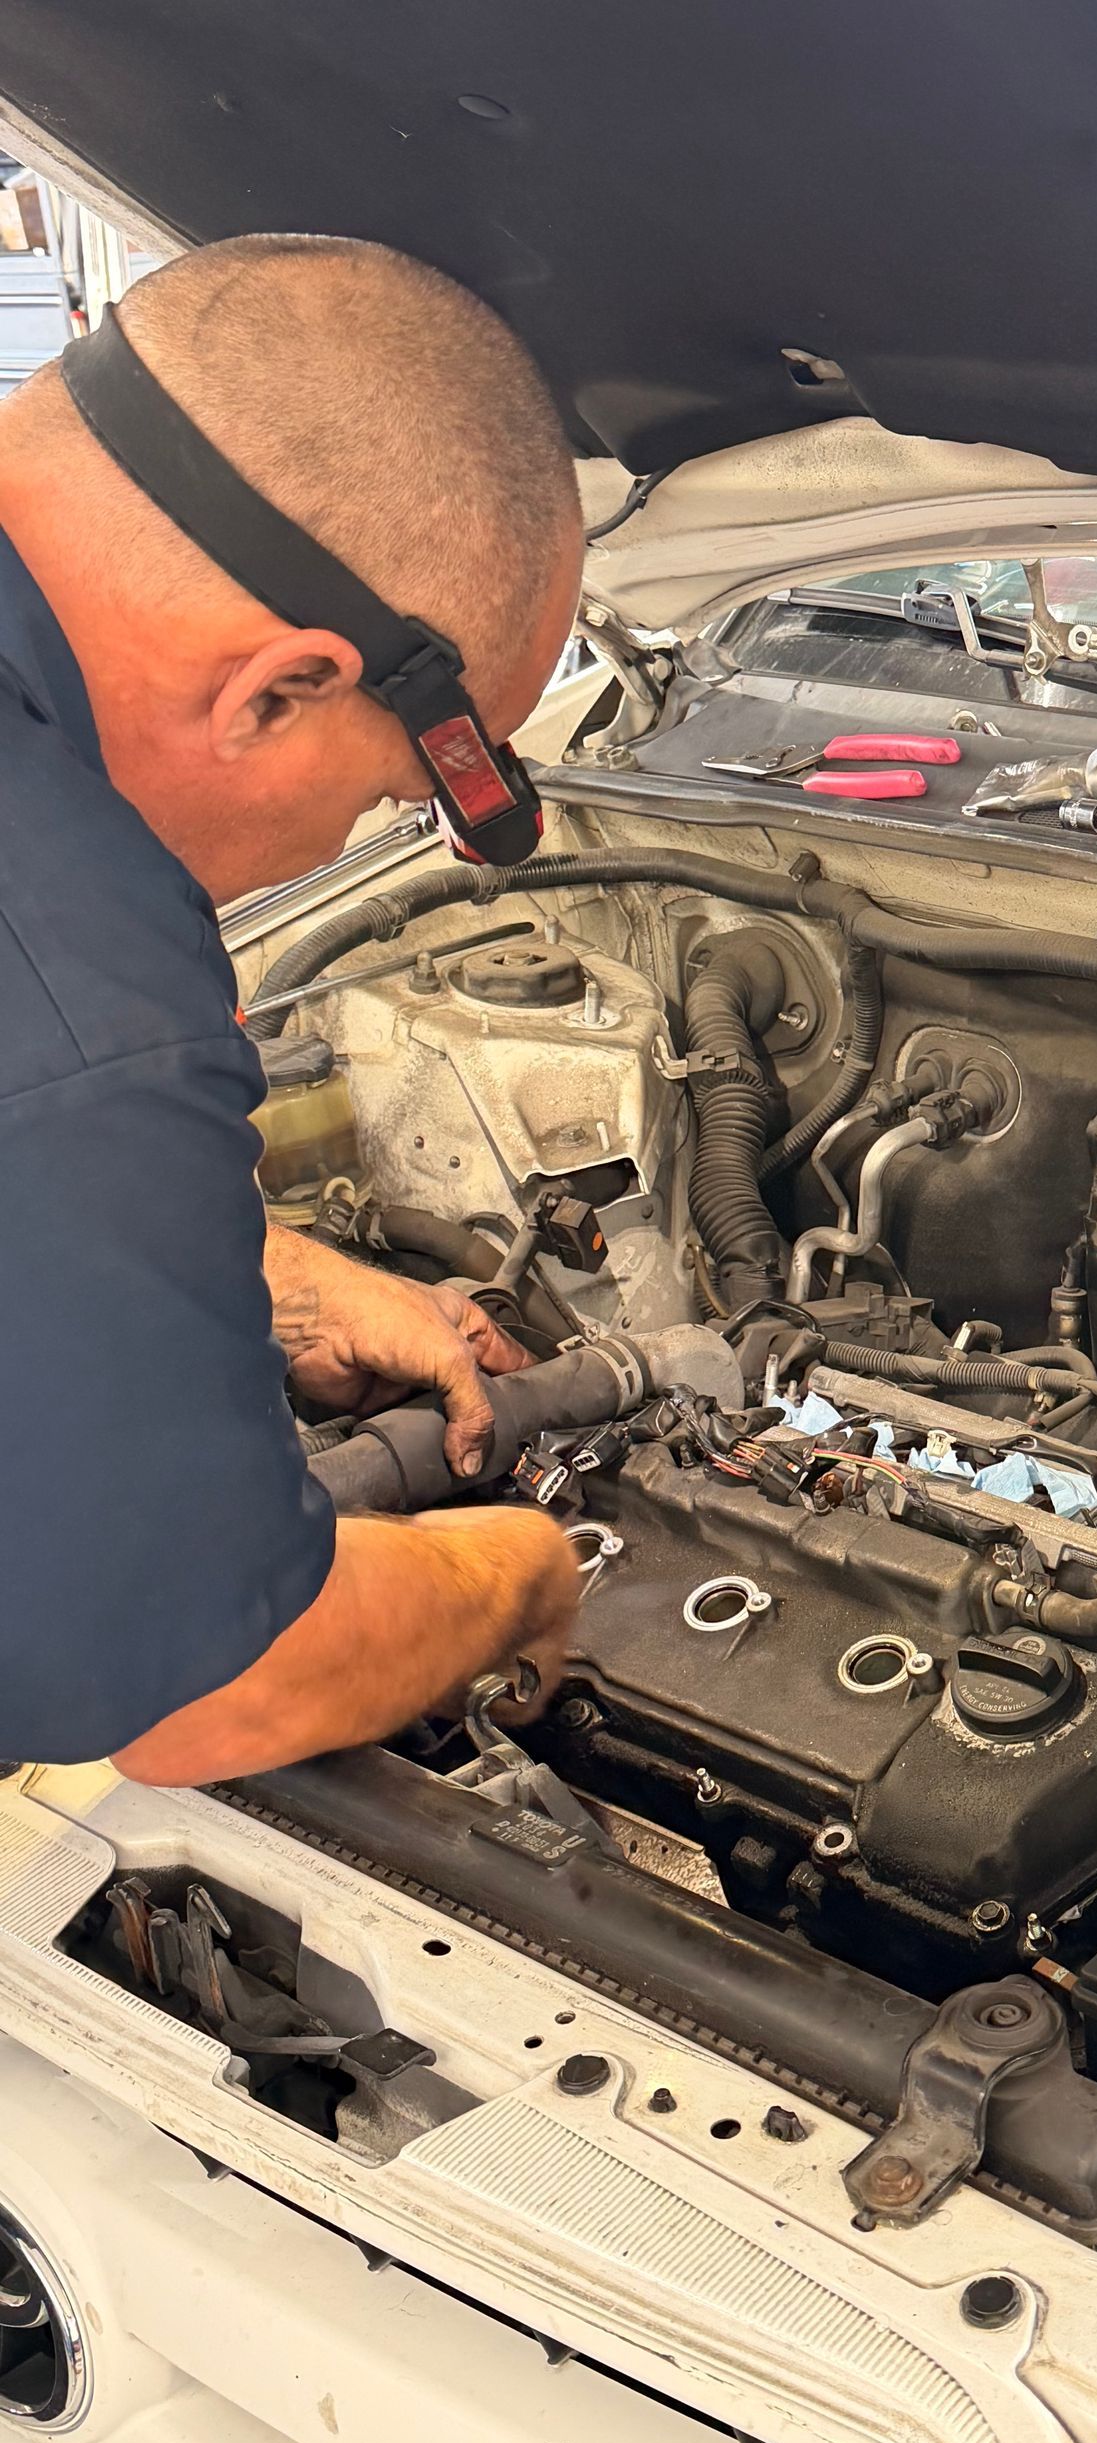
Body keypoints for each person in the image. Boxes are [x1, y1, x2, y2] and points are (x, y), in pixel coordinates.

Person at [0, 233, 589, 1786]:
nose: (343, 854)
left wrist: (261, 1276)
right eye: (394, 796)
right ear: (277, 688)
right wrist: (527, 1571)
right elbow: (215, 1693)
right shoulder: (76, 979)